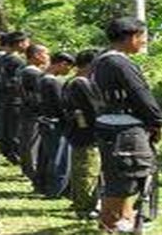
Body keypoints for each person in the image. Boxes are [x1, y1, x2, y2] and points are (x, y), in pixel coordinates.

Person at [90, 17, 162, 232]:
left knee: (117, 178)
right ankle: (113, 223)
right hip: (125, 130)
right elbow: (141, 95)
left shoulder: (100, 60)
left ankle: (119, 221)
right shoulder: (120, 62)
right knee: (125, 180)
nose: (143, 42)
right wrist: (156, 121)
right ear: (131, 36)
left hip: (107, 125)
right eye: (142, 37)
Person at [63, 49, 101, 219]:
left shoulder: (71, 81)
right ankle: (85, 206)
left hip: (77, 132)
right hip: (86, 134)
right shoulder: (82, 83)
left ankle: (80, 202)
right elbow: (93, 110)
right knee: (88, 170)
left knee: (81, 169)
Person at [37, 52, 75, 198]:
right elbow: (61, 105)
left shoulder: (41, 78)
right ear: (62, 64)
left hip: (44, 121)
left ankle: (46, 186)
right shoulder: (52, 82)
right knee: (60, 159)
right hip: (55, 123)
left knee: (49, 156)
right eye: (68, 68)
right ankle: (57, 189)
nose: (68, 72)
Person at [17, 44, 50, 191]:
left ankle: (28, 169)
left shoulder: (24, 70)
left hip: (26, 111)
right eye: (45, 54)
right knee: (32, 143)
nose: (48, 57)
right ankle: (33, 172)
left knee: (28, 141)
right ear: (36, 55)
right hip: (33, 113)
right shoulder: (33, 73)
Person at [0, 31, 30, 164]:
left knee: (10, 126)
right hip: (15, 98)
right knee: (16, 129)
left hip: (7, 97)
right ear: (20, 43)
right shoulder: (17, 60)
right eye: (27, 41)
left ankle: (11, 151)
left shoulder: (4, 57)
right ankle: (17, 154)